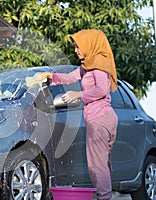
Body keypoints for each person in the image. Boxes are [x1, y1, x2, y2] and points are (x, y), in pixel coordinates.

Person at [35, 29, 118, 200]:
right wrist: (50, 75)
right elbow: (70, 77)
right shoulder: (88, 66)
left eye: (78, 46)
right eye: (75, 47)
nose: (76, 50)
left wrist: (77, 95)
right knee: (103, 164)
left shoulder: (98, 65)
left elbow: (102, 90)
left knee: (97, 166)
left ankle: (104, 197)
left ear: (90, 44)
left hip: (99, 119)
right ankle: (106, 196)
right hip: (105, 118)